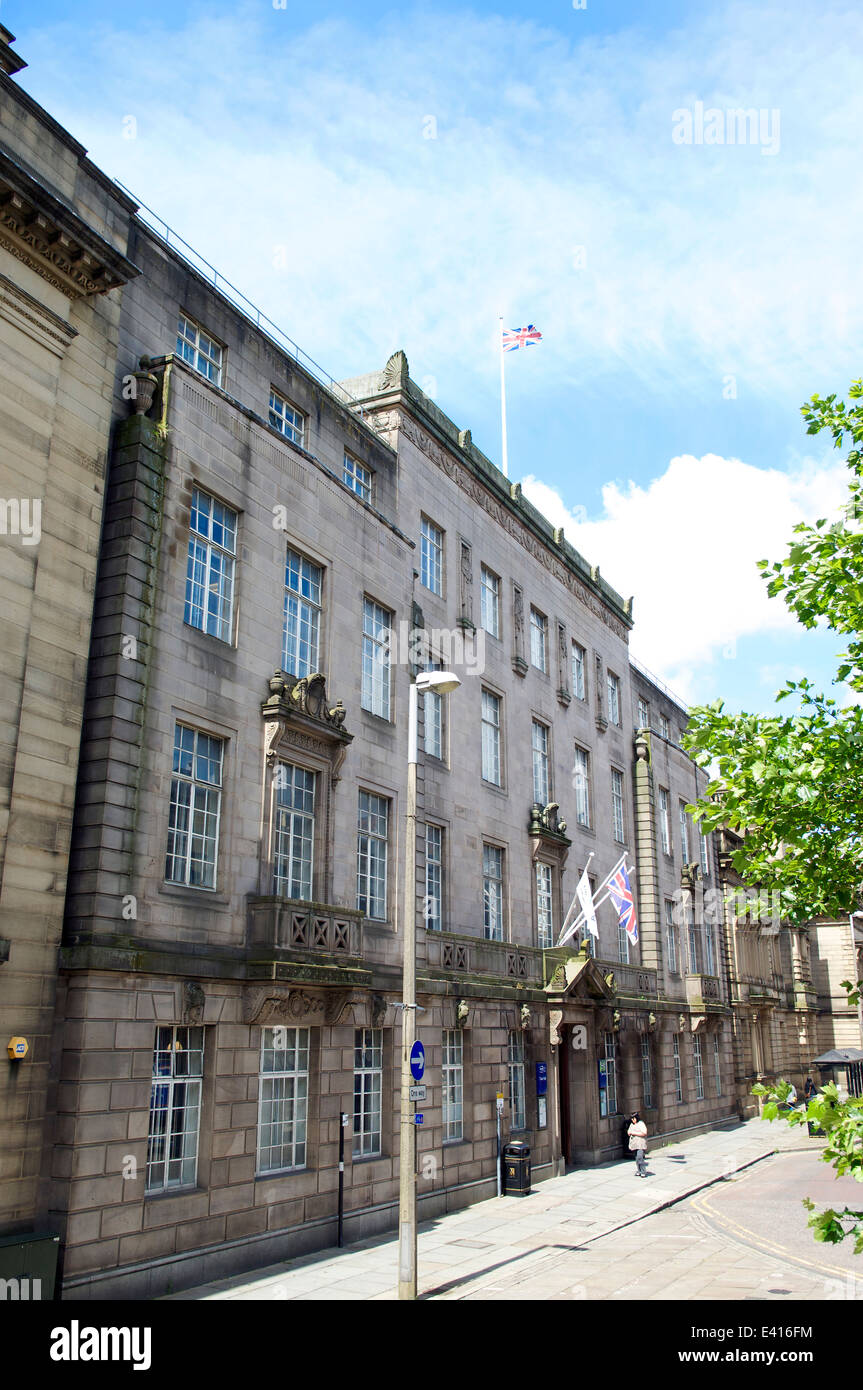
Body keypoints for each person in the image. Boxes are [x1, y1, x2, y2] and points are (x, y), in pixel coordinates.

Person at [628, 1111, 648, 1178]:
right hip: (634, 1144)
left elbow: (644, 1133)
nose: (632, 1120)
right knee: (637, 1158)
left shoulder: (641, 1124)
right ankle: (639, 1171)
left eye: (634, 1119)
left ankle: (643, 1171)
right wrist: (629, 1132)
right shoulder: (632, 1124)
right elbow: (629, 1131)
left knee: (640, 1157)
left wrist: (634, 1133)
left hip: (640, 1144)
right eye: (631, 1119)